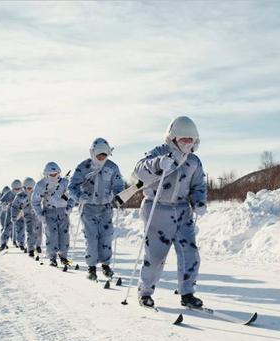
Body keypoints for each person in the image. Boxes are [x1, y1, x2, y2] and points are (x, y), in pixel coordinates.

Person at [133, 116, 207, 308]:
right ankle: (145, 292)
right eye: (183, 139)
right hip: (158, 209)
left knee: (190, 253)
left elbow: (198, 185)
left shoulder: (194, 161)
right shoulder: (159, 152)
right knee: (155, 257)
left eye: (191, 140)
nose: (187, 143)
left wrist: (199, 201)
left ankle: (187, 293)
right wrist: (158, 164)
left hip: (183, 211)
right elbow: (138, 172)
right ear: (173, 138)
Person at [69, 138, 125, 280]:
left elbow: (119, 186)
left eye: (104, 155)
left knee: (106, 237)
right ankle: (91, 267)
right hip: (88, 208)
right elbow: (72, 187)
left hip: (106, 208)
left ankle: (106, 266)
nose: (101, 158)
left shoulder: (112, 167)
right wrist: (79, 197)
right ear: (92, 153)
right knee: (92, 238)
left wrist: (118, 198)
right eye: (99, 154)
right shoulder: (83, 167)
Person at [32, 162, 75, 267]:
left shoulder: (65, 183)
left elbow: (73, 196)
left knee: (64, 236)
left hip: (63, 212)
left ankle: (63, 257)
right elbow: (35, 201)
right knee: (52, 235)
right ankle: (52, 258)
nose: (54, 176)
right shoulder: (41, 184)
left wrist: (69, 207)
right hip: (49, 213)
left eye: (55, 173)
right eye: (51, 174)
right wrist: (40, 214)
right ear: (46, 174)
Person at [11, 177, 42, 257]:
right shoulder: (20, 195)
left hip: (37, 214)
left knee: (38, 231)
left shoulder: (37, 193)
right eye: (29, 188)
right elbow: (14, 206)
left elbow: (45, 200)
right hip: (27, 215)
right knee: (30, 231)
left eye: (32, 188)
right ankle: (31, 249)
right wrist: (14, 216)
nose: (31, 189)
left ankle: (38, 245)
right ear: (24, 187)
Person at [0, 179, 23, 251]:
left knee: (21, 228)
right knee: (7, 228)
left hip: (20, 213)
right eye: (16, 189)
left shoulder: (22, 194)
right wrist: (5, 205)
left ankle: (21, 243)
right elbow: (2, 202)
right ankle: (3, 243)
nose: (17, 190)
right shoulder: (9, 194)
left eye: (19, 188)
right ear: (12, 188)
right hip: (10, 213)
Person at [0, 186, 12, 251]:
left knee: (9, 228)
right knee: (4, 228)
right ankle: (3, 243)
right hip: (3, 215)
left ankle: (9, 241)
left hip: (9, 214)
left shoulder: (11, 195)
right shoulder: (1, 196)